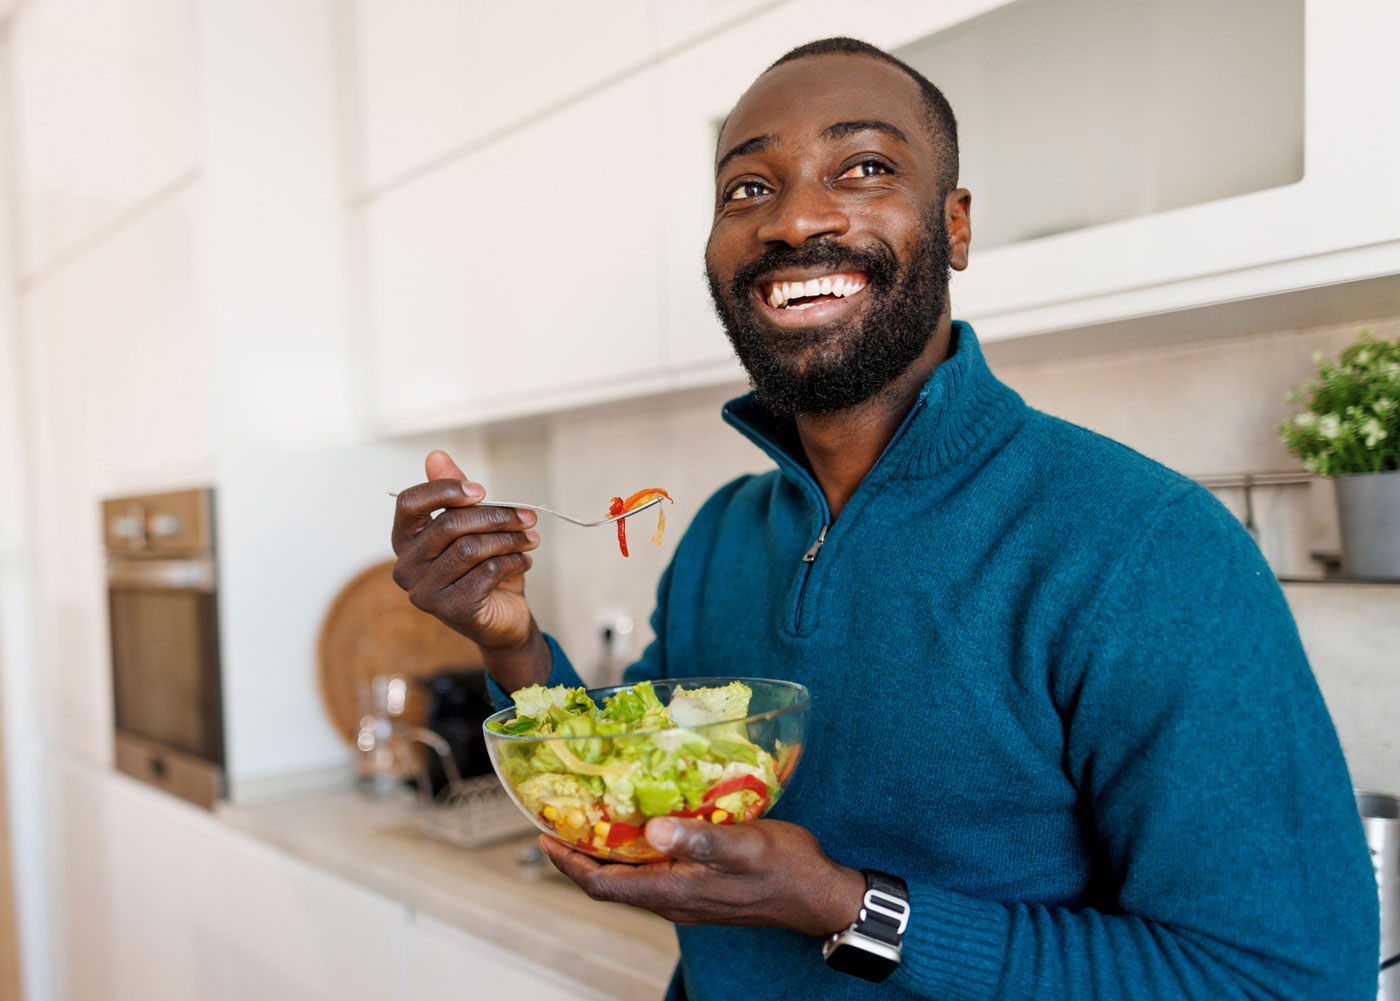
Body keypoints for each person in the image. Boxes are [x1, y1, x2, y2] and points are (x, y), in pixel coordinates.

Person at [390, 37, 1378, 1001]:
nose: (791, 221)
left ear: (952, 225)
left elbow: (1283, 977)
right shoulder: (721, 535)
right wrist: (510, 640)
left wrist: (839, 905)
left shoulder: (1147, 547)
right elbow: (627, 780)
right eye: (747, 188)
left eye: (861, 167)